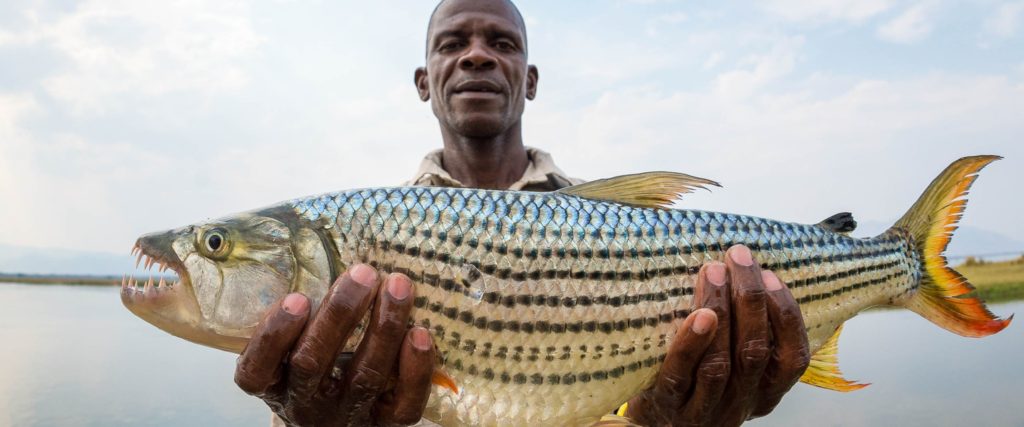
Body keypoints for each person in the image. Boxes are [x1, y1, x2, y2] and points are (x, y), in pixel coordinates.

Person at [232, 0, 812, 426]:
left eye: (502, 44)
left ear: (529, 81)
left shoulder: (605, 215)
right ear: (423, 82)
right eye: (452, 43)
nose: (476, 55)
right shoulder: (374, 234)